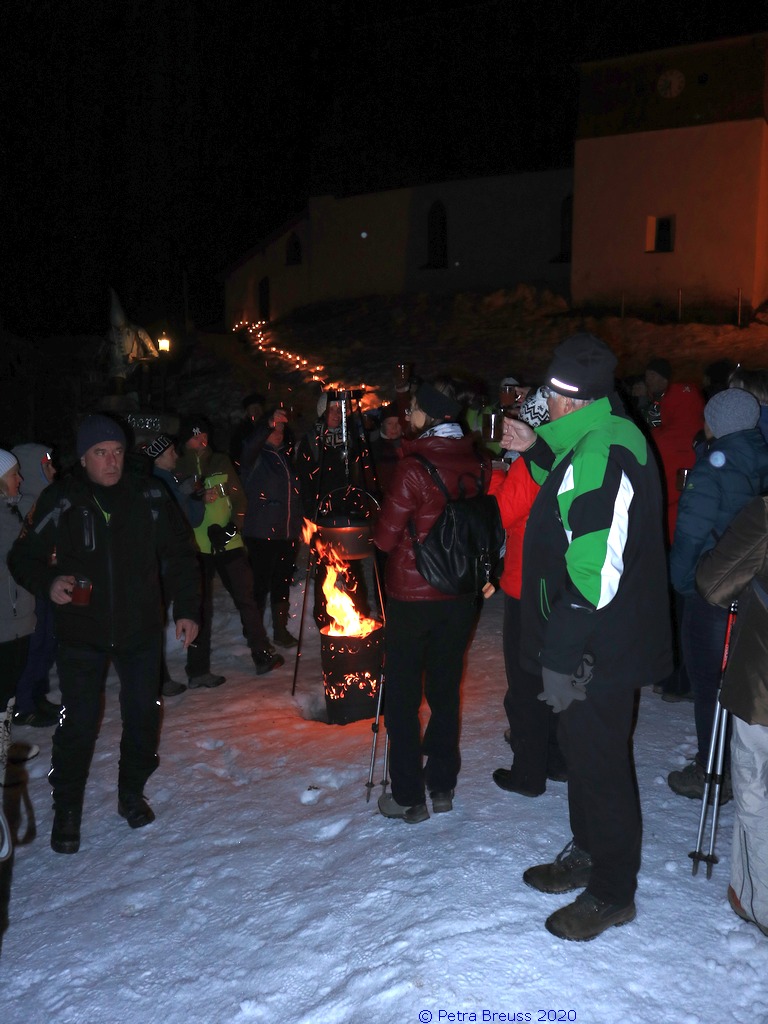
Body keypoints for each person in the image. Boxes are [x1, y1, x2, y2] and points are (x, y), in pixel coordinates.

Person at [502, 333, 672, 941]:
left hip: (598, 646)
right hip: (588, 643)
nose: (545, 404)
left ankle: (612, 891)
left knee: (600, 765)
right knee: (581, 753)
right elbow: (559, 470)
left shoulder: (604, 452)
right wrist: (532, 448)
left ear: (573, 399)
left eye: (552, 395)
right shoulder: (594, 433)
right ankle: (588, 850)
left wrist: (560, 653)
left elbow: (594, 574)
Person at [8, 415, 201, 854]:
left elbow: (179, 554)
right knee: (77, 724)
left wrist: (188, 609)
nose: (111, 461)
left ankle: (131, 792)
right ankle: (67, 809)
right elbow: (22, 556)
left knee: (143, 715)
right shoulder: (62, 499)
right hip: (81, 631)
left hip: (139, 629)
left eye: (116, 451)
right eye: (100, 453)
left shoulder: (149, 494)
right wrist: (49, 582)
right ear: (82, 458)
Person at [373, 378, 490, 823]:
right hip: (459, 593)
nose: (408, 414)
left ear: (430, 413)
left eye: (414, 407)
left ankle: (407, 796)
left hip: (412, 596)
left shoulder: (414, 467)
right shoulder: (479, 460)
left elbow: (385, 539)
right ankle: (442, 785)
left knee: (402, 697)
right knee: (444, 691)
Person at [668, 388, 768, 800]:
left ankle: (713, 771)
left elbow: (691, 533)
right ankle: (739, 764)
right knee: (744, 681)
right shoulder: (761, 455)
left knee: (710, 683)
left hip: (715, 589)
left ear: (717, 423)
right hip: (754, 588)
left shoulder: (714, 466)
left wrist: (684, 582)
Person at [490, 387, 567, 798]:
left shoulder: (527, 467)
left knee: (525, 682)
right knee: (555, 674)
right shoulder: (569, 455)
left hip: (526, 585)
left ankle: (529, 772)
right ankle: (558, 759)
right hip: (561, 585)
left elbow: (500, 515)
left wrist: (495, 476)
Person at [696, 495, 768, 936]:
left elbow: (713, 583)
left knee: (755, 792)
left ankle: (761, 903)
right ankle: (746, 889)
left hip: (762, 688)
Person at [176, 416, 284, 681]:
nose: (201, 439)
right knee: (200, 607)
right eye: (195, 436)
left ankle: (261, 654)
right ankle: (198, 670)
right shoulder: (178, 466)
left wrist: (234, 527)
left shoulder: (221, 461)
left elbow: (239, 499)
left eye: (204, 434)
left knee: (246, 599)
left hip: (229, 542)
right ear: (185, 441)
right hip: (198, 547)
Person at [143, 433, 207, 696]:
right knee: (152, 620)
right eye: (171, 451)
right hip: (159, 565)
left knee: (191, 609)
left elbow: (192, 521)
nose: (177, 455)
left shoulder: (174, 480)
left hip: (179, 559)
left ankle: (196, 671)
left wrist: (196, 497)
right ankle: (157, 678)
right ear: (158, 457)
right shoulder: (152, 485)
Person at [241, 407, 302, 649]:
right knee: (259, 584)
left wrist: (299, 522)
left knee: (281, 582)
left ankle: (280, 630)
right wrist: (267, 423)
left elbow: (293, 495)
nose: (279, 432)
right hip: (261, 533)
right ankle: (254, 633)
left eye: (282, 428)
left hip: (286, 533)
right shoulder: (255, 456)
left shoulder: (286, 457)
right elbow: (250, 445)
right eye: (274, 428)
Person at [10, 443, 61, 726]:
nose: (53, 471)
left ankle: (37, 695)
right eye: (46, 466)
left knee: (48, 641)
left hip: (47, 583)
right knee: (33, 645)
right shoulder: (20, 507)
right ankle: (22, 704)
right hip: (26, 592)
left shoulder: (48, 501)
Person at [0, 449, 37, 779]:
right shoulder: (3, 518)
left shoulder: (9, 511)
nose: (21, 480)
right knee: (3, 688)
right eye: (14, 475)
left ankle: (3, 746)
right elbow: (23, 556)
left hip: (14, 618)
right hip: (5, 621)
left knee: (7, 688)